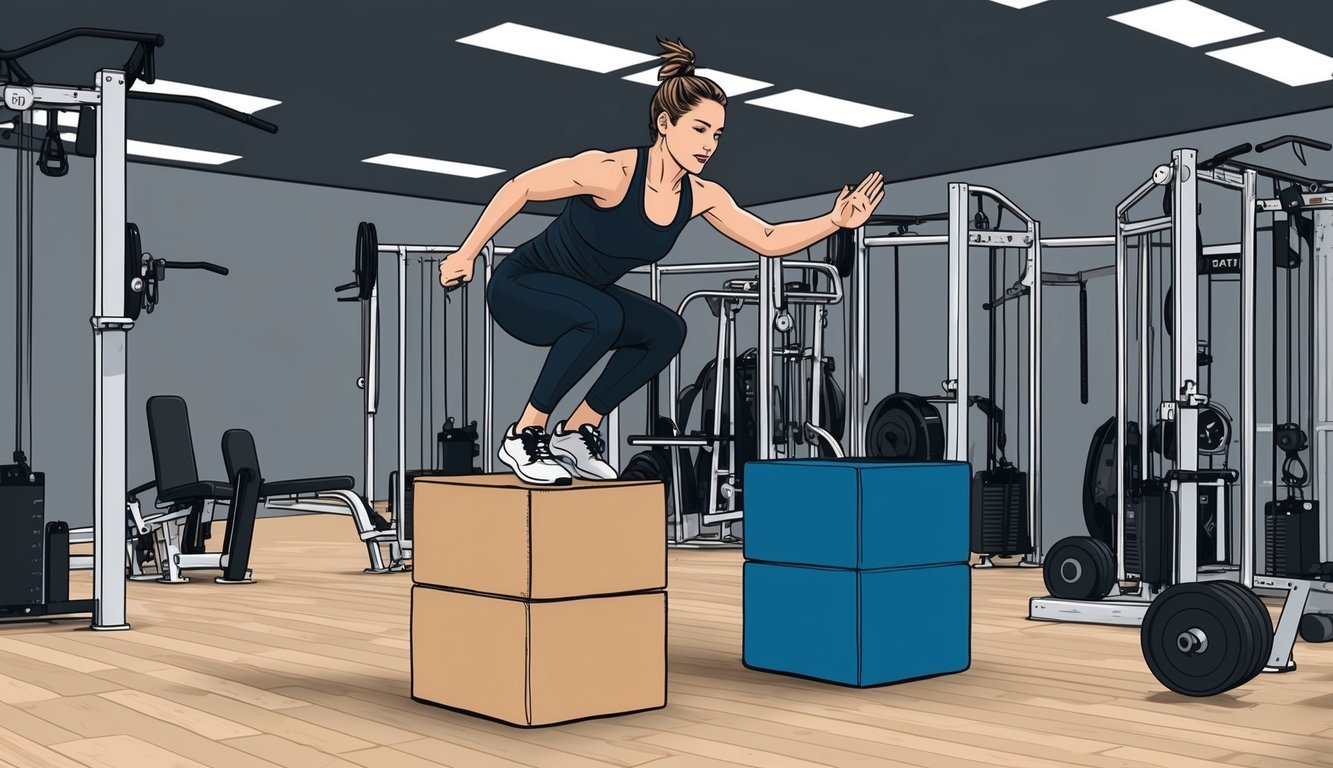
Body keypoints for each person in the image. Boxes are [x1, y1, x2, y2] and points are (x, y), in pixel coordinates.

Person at [439, 38, 884, 485]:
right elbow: (523, 186)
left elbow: (766, 238)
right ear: (665, 124)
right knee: (603, 316)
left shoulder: (701, 195)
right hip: (523, 290)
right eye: (699, 129)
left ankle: (575, 431)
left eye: (717, 134)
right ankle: (525, 433)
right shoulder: (612, 172)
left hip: (587, 301)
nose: (710, 144)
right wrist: (468, 251)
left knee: (667, 330)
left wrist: (834, 221)